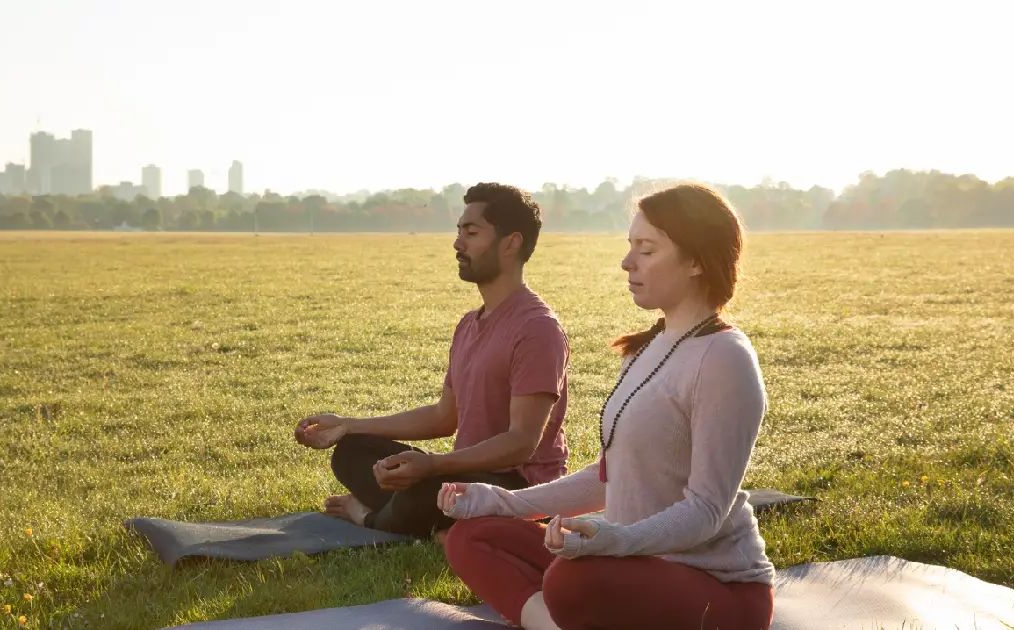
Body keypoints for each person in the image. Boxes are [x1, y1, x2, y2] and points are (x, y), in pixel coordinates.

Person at [437, 183, 775, 630]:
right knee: (472, 535)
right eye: (629, 246)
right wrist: (500, 500)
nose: (627, 262)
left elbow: (706, 510)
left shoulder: (724, 358)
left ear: (695, 260)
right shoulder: (645, 349)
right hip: (631, 564)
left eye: (646, 250)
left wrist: (617, 540)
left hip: (716, 590)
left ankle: (554, 613)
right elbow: (607, 476)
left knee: (573, 580)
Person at [294, 182, 571, 540]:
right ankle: (434, 524)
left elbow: (521, 443)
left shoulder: (537, 329)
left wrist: (433, 466)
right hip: (463, 477)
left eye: (471, 233)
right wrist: (348, 424)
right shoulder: (468, 326)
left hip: (518, 486)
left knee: (426, 492)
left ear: (511, 243)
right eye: (459, 232)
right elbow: (444, 417)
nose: (458, 244)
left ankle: (367, 516)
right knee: (353, 451)